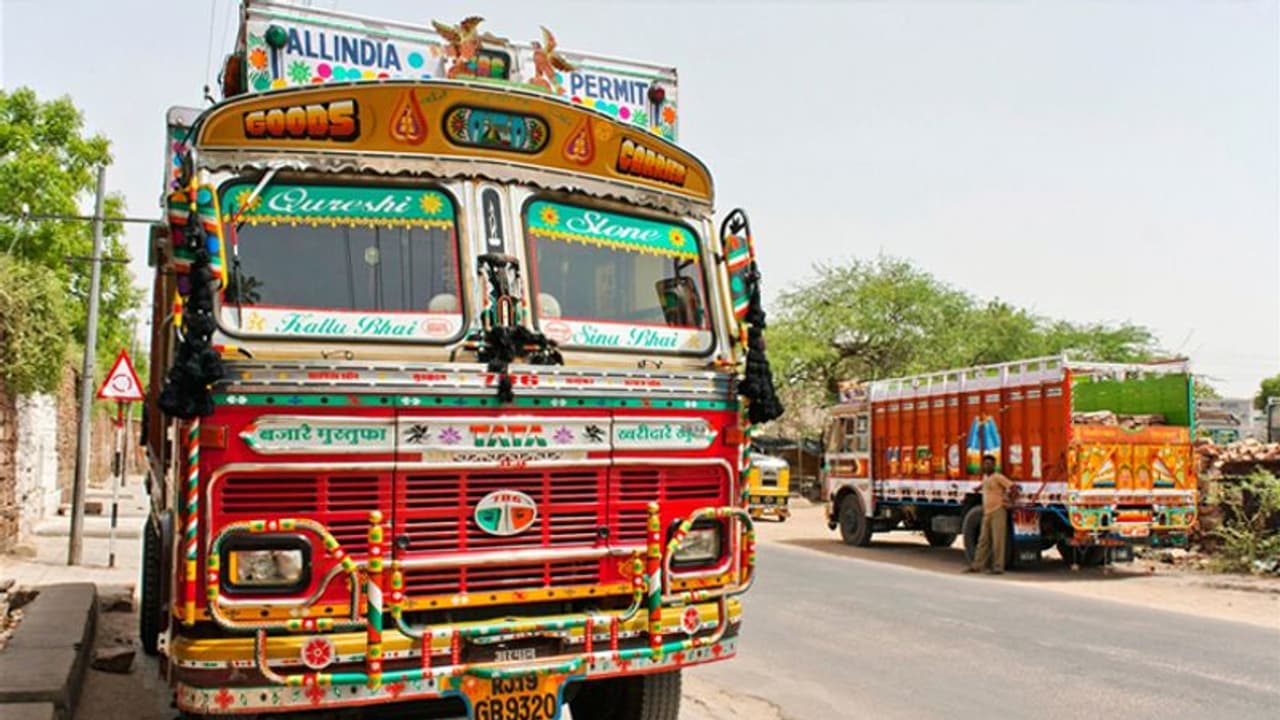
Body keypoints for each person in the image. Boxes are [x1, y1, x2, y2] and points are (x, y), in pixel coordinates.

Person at [967, 454, 1014, 574]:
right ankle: (977, 565)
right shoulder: (986, 478)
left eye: (989, 464)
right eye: (985, 464)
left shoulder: (998, 477)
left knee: (998, 540)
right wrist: (977, 488)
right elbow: (984, 485)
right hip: (987, 512)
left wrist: (1009, 501)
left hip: (998, 511)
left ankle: (998, 567)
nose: (987, 466)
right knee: (983, 540)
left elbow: (1013, 487)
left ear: (994, 465)